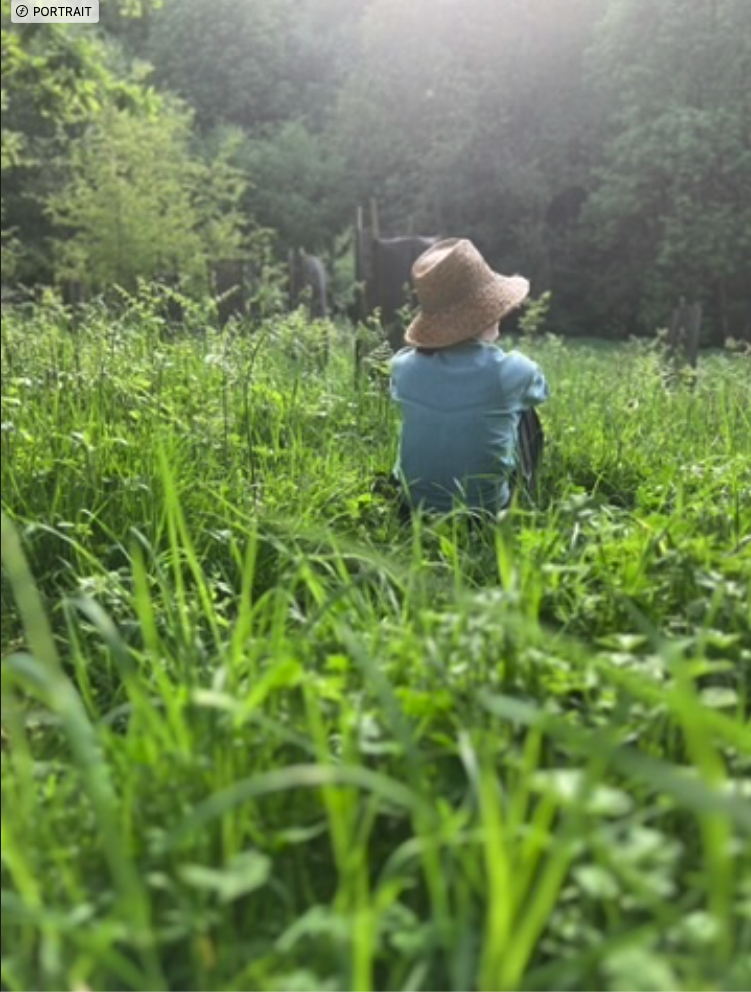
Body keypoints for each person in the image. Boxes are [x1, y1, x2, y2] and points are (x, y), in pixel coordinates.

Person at [390, 237, 549, 517]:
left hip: (414, 505)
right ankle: (527, 492)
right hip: (484, 510)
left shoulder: (403, 368)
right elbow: (541, 391)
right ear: (488, 315)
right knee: (525, 411)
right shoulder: (513, 371)